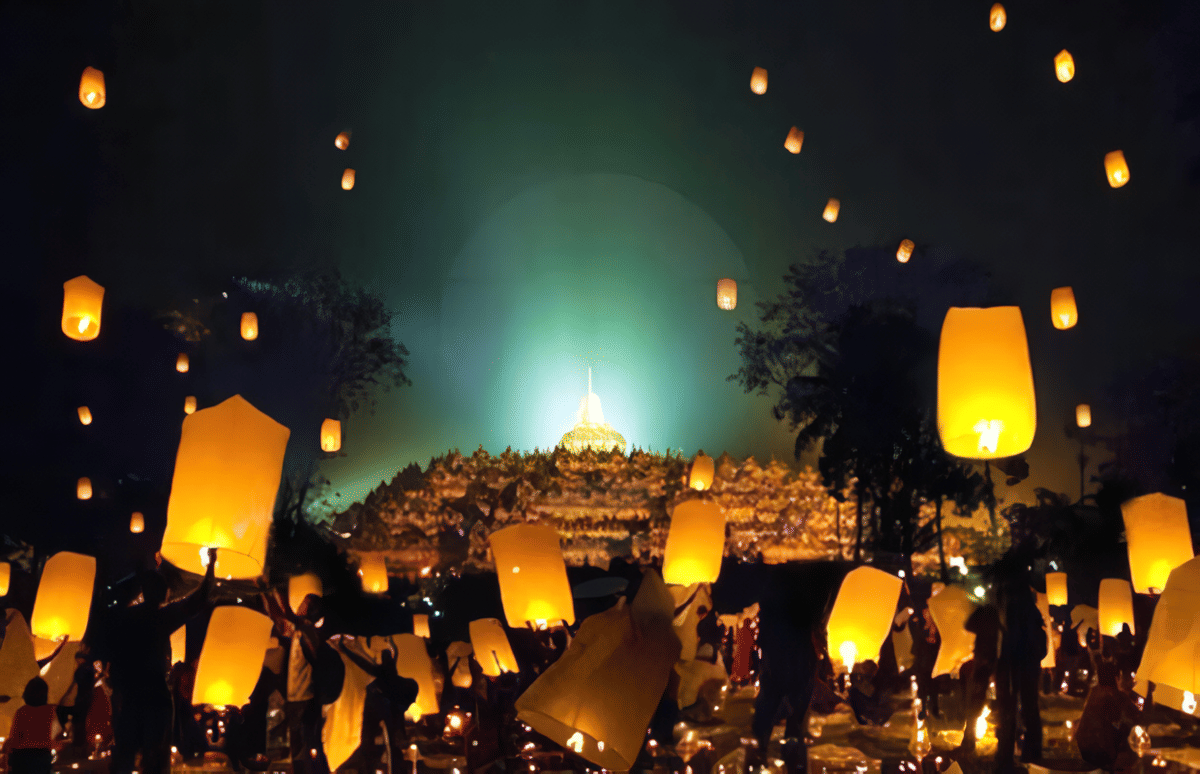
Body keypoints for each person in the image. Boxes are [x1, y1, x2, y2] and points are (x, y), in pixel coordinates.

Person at [108, 547, 216, 774]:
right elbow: (198, 599)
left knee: (126, 755)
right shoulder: (159, 618)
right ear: (161, 592)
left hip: (129, 696)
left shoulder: (126, 618)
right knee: (156, 757)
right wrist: (211, 566)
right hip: (154, 696)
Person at [3, 677, 60, 774]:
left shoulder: (21, 712)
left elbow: (14, 737)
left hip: (20, 758)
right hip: (42, 757)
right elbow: (53, 735)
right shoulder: (51, 711)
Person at [55, 646, 95, 756]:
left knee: (78, 721)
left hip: (81, 699)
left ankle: (78, 745)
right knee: (79, 721)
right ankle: (79, 745)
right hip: (84, 699)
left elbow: (76, 683)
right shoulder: (88, 669)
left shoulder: (83, 670)